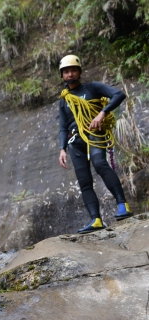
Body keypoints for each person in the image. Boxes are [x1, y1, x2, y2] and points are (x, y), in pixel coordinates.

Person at [58, 55, 132, 234]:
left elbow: (119, 94)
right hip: (75, 141)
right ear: (62, 76)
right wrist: (62, 148)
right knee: (84, 181)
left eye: (73, 70)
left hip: (94, 133)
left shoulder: (93, 88)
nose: (70, 74)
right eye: (66, 72)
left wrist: (102, 113)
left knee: (100, 164)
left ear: (79, 72)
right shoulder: (64, 99)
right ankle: (96, 219)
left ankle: (123, 205)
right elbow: (63, 126)